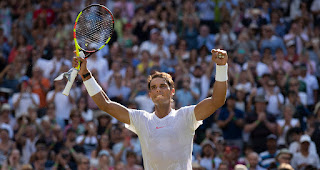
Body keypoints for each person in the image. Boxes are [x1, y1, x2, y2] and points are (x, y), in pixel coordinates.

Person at [72, 49, 228, 169]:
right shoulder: (141, 119)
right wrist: (85, 74)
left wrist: (221, 68)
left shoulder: (186, 115)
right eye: (153, 87)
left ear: (172, 91)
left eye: (162, 86)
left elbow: (217, 101)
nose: (158, 89)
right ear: (150, 94)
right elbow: (105, 104)